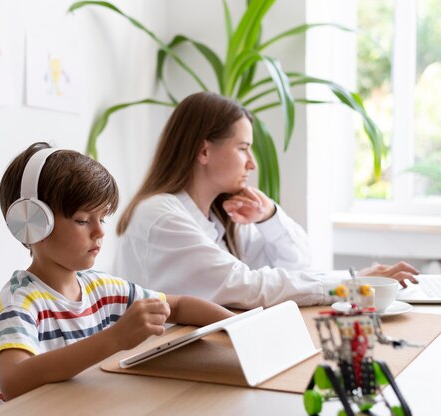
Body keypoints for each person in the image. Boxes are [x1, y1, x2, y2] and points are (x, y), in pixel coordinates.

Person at [0, 142, 234, 410]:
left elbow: (179, 306)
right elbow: (13, 381)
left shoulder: (99, 288)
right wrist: (114, 339)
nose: (100, 232)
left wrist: (240, 326)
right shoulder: (19, 301)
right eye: (83, 220)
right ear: (33, 223)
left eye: (102, 219)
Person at [113, 91, 418, 309]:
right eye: (243, 148)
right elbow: (247, 286)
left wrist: (269, 216)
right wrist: (351, 285)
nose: (252, 163)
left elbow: (297, 264)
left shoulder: (220, 218)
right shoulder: (161, 216)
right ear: (204, 151)